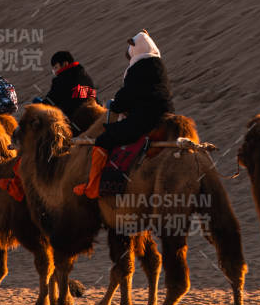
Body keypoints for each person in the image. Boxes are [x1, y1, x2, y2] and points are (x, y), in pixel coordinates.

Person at [75, 31, 173, 198]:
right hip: (167, 116)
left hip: (145, 119)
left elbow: (124, 99)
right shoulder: (159, 65)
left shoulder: (138, 68)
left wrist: (114, 104)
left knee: (104, 139)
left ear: (135, 49)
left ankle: (93, 186)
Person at [42, 50, 98, 121]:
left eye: (56, 67)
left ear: (65, 64)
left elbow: (51, 99)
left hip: (79, 120)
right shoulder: (83, 74)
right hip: (97, 110)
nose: (55, 72)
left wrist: (40, 106)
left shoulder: (61, 79)